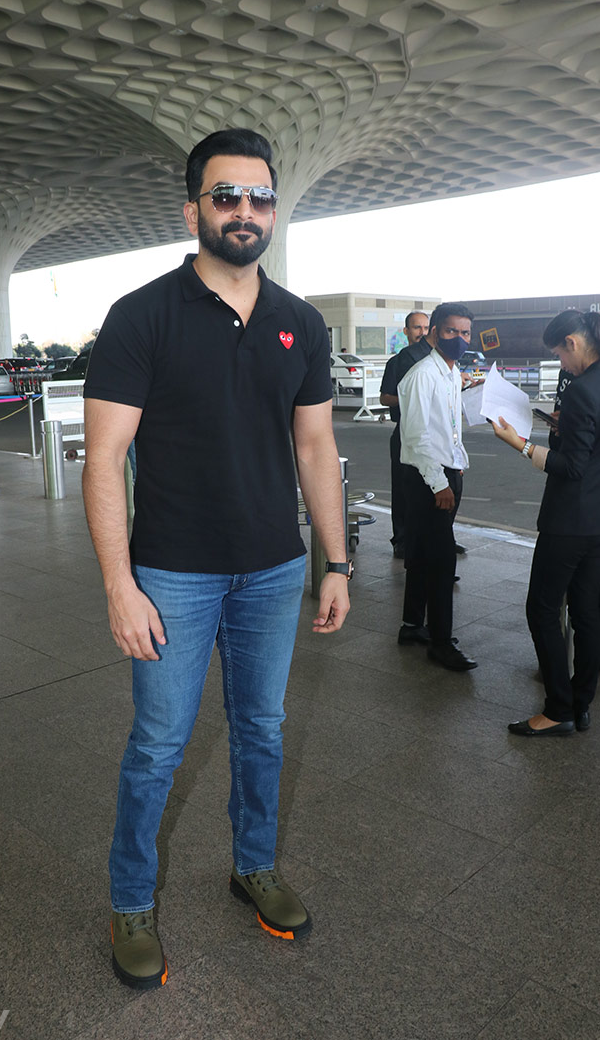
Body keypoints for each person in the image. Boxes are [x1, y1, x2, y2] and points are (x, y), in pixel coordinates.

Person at [82, 128, 351, 990]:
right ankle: (130, 902)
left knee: (264, 732)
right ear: (192, 207)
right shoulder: (141, 316)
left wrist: (335, 564)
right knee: (158, 746)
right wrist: (121, 587)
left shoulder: (298, 322)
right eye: (226, 195)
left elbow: (315, 448)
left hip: (273, 570)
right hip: (171, 576)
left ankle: (254, 866)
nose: (245, 211)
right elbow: (104, 461)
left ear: (275, 208)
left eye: (260, 197)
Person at [492, 309, 600, 737]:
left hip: (569, 521)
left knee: (542, 607)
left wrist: (520, 445)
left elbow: (571, 466)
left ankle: (558, 709)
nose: (561, 364)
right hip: (597, 523)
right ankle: (582, 700)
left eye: (558, 354)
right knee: (588, 613)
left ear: (572, 343)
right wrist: (565, 428)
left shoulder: (580, 391)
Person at [396, 302, 478, 670]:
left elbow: (449, 427)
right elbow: (415, 439)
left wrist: (457, 466)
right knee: (442, 562)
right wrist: (439, 484)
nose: (459, 339)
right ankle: (440, 644)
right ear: (433, 333)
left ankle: (413, 626)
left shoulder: (450, 372)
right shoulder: (422, 376)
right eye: (450, 332)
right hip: (429, 479)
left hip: (447, 473)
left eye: (465, 333)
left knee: (425, 555)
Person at [380, 311, 431, 558]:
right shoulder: (397, 362)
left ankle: (438, 538)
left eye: (425, 327)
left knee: (435, 487)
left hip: (433, 432)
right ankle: (401, 539)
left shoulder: (438, 360)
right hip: (404, 431)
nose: (421, 332)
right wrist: (411, 396)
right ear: (406, 331)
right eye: (416, 328)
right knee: (402, 488)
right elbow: (384, 397)